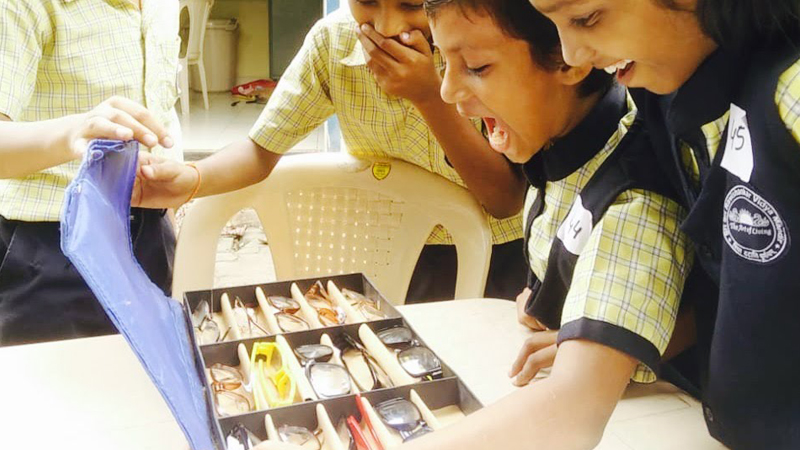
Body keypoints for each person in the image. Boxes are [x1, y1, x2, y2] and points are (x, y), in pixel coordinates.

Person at [254, 0, 696, 448]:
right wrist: (575, 317)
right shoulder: (560, 148)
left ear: (570, 53)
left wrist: (593, 357)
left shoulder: (631, 197)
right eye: (446, 63)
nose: (446, 91)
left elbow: (571, 411)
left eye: (478, 67)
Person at [531, 0, 800, 447]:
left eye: (586, 19)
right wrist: (603, 346)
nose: (573, 54)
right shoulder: (660, 100)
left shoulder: (788, 90)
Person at [132, 0, 527, 304]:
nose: (388, 27)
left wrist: (428, 95)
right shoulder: (333, 43)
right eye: (368, 1)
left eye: (411, 4)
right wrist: (192, 179)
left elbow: (505, 199)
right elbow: (261, 151)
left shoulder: (476, 46)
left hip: (495, 258)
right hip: (384, 251)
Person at [0, 0, 181, 346]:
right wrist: (72, 133)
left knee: (145, 388)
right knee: (64, 394)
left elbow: (162, 109)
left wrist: (170, 220)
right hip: (52, 252)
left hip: (150, 239)